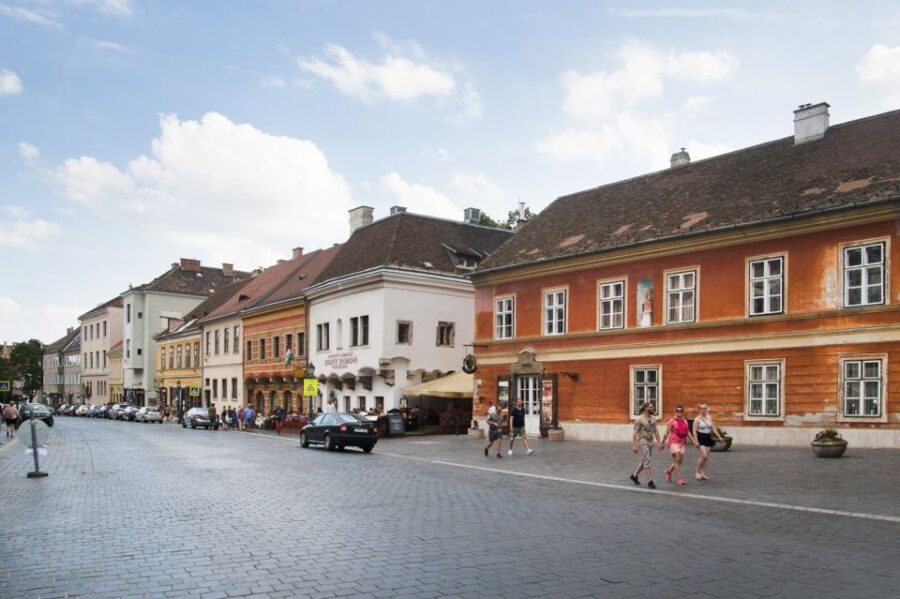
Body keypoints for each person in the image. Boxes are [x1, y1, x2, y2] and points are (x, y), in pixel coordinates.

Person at [659, 405, 698, 485]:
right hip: (673, 442)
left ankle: (669, 471)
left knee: (680, 461)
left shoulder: (685, 421)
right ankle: (679, 478)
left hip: (681, 443)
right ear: (675, 411)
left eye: (681, 411)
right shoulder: (671, 421)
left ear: (682, 412)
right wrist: (662, 443)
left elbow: (688, 432)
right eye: (677, 410)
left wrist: (693, 441)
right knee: (676, 458)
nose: (679, 412)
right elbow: (666, 433)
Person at [630, 401, 660, 489]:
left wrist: (659, 442)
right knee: (647, 460)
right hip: (643, 441)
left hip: (650, 441)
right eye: (651, 407)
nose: (653, 408)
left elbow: (656, 431)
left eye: (652, 407)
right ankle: (650, 481)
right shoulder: (639, 419)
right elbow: (635, 432)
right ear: (645, 408)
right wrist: (634, 445)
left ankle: (634, 475)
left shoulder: (653, 419)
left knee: (645, 460)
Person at [692, 404, 725, 480]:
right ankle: (697, 472)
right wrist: (696, 441)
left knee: (706, 457)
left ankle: (703, 473)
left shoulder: (709, 417)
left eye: (705, 408)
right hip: (700, 437)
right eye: (702, 408)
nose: (704, 410)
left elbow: (713, 428)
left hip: (707, 437)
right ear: (699, 410)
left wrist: (719, 437)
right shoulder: (697, 419)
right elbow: (694, 431)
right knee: (704, 456)